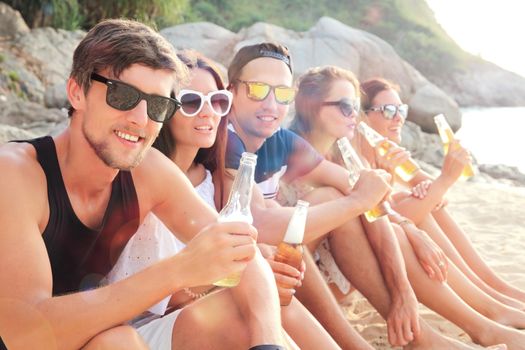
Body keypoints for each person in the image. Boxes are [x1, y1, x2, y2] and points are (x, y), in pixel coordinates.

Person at [0, 19, 289, 350]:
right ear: (76, 91)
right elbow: (21, 333)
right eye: (122, 96)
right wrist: (178, 271)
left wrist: (268, 344)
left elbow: (243, 255)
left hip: (93, 334)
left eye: (157, 105)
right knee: (117, 342)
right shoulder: (16, 175)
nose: (141, 119)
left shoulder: (147, 170)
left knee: (240, 316)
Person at [223, 42, 509, 349]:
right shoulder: (224, 140)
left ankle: (456, 324)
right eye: (257, 89)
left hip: (285, 270)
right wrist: (368, 201)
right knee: (331, 203)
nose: (270, 103)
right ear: (231, 92)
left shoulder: (285, 141)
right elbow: (264, 222)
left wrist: (404, 292)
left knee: (348, 203)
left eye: (281, 93)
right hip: (241, 278)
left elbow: (367, 192)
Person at [106, 49, 341, 350]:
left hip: (194, 321)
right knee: (241, 306)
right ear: (163, 107)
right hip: (135, 328)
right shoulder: (140, 173)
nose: (209, 113)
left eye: (218, 102)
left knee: (274, 300)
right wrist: (233, 278)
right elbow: (152, 300)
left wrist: (263, 266)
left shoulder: (211, 179)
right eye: (191, 102)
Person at [289, 64, 525, 349]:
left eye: (354, 106)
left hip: (341, 270)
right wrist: (418, 214)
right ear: (311, 107)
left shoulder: (341, 148)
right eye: (345, 106)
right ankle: (480, 317)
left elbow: (403, 194)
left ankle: (491, 304)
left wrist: (416, 205)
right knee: (348, 206)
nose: (353, 115)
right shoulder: (301, 151)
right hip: (309, 283)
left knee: (400, 219)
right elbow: (368, 202)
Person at [358, 77, 525, 309]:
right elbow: (376, 218)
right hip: (365, 247)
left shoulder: (388, 151)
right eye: (388, 110)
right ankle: (488, 296)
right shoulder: (353, 157)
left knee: (422, 202)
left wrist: (430, 188)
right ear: (362, 116)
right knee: (418, 204)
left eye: (401, 109)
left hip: (388, 232)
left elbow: (437, 196)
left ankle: (494, 288)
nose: (399, 118)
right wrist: (443, 181)